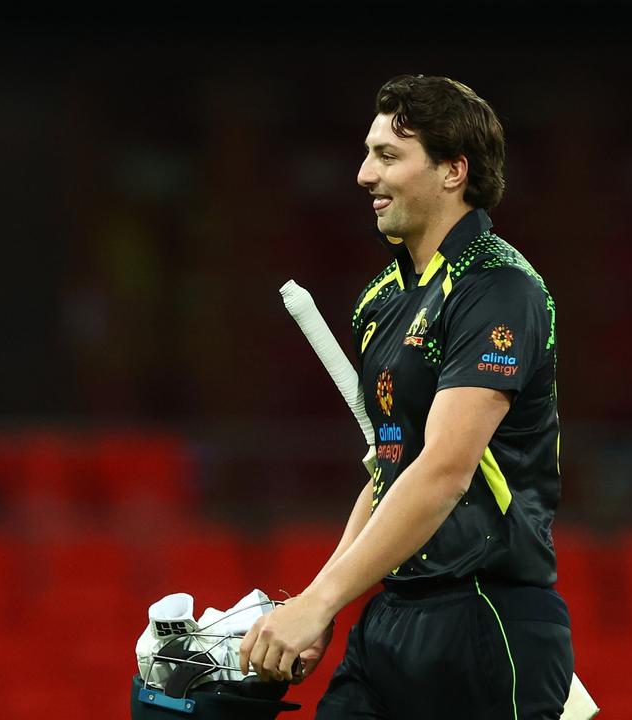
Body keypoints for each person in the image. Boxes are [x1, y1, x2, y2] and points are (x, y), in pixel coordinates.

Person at [240, 74, 571, 719]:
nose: (365, 175)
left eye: (389, 155)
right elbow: (389, 469)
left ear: (453, 170)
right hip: (393, 617)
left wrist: (319, 601)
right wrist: (323, 601)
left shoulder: (498, 288)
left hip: (485, 617)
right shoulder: (379, 301)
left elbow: (445, 470)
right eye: (368, 153)